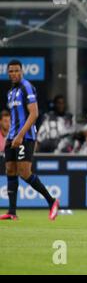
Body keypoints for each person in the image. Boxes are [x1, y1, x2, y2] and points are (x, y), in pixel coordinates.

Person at [0, 60, 60, 221]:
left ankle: (52, 201)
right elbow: (15, 117)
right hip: (12, 137)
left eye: (16, 71)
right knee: (10, 170)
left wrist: (20, 135)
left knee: (24, 172)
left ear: (22, 71)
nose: (14, 73)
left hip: (25, 137)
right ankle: (12, 211)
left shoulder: (27, 87)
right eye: (11, 71)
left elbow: (34, 113)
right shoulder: (11, 92)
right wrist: (11, 136)